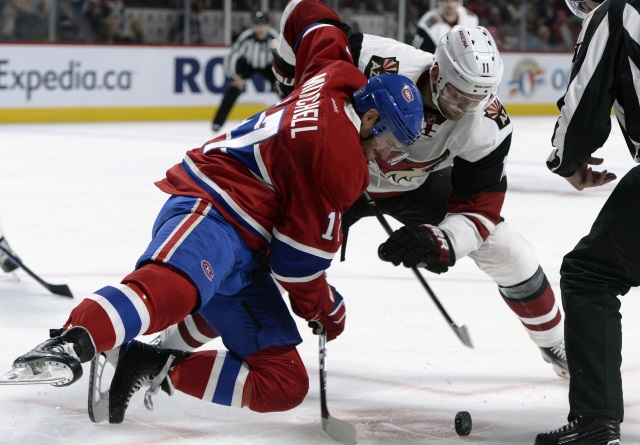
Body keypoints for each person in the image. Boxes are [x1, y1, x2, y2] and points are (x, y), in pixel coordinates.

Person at [3, 0, 424, 424]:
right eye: (391, 143)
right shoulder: (341, 163)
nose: (389, 158)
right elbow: (295, 267)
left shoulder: (336, 72)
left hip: (247, 247)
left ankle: (149, 361)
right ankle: (71, 341)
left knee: (284, 383)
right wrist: (325, 307)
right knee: (176, 288)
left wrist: (286, 69)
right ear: (371, 116)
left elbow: (306, 12)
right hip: (216, 205)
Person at [169, 0, 569, 380]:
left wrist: (442, 239)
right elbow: (301, 13)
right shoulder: (375, 58)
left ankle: (556, 345)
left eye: (478, 98)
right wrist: (293, 85)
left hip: (414, 186)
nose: (466, 107)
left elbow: (480, 209)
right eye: (457, 95)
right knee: (257, 263)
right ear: (435, 73)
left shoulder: (488, 125)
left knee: (505, 246)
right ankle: (166, 348)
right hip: (328, 176)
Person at [535, 0, 638, 444]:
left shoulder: (618, 11)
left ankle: (596, 421)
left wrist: (567, 160)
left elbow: (584, 99)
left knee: (589, 274)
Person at [210, 11, 278, 132]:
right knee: (233, 90)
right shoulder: (246, 37)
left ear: (268, 25)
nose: (261, 28)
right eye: (258, 25)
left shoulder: (274, 37)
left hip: (268, 66)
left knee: (284, 89)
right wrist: (233, 77)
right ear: (254, 26)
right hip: (247, 65)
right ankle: (217, 123)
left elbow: (282, 56)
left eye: (263, 25)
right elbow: (232, 56)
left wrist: (281, 77)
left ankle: (291, 118)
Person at [412, 0, 478, 53]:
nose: (450, 5)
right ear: (440, 2)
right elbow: (418, 54)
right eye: (446, 1)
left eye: (453, 1)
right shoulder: (426, 24)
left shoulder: (471, 19)